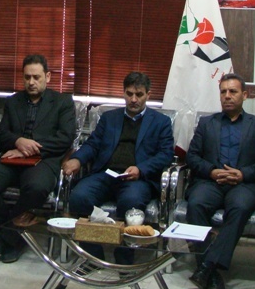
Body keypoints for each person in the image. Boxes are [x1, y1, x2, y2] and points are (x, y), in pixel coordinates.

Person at [0, 54, 76, 263]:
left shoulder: (62, 102)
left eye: (36, 77)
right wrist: (18, 141)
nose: (31, 82)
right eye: (27, 77)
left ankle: (6, 238)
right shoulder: (13, 101)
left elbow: (65, 138)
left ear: (47, 77)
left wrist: (29, 149)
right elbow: (2, 134)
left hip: (44, 160)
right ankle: (15, 237)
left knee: (36, 188)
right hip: (12, 159)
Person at [63, 72, 174, 264]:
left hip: (137, 178)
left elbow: (165, 154)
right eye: (129, 94)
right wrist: (77, 160)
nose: (133, 99)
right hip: (105, 174)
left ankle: (123, 258)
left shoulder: (160, 122)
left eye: (139, 94)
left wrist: (141, 169)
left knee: (131, 201)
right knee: (79, 197)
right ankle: (93, 256)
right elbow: (93, 144)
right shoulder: (109, 118)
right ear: (123, 93)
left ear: (148, 95)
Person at [184, 73, 255, 289]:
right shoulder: (207, 123)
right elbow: (192, 157)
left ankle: (207, 266)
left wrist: (243, 174)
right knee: (196, 204)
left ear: (245, 95)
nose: (227, 96)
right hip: (211, 181)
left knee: (240, 207)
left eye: (232, 91)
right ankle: (211, 273)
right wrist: (211, 171)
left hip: (244, 184)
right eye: (223, 91)